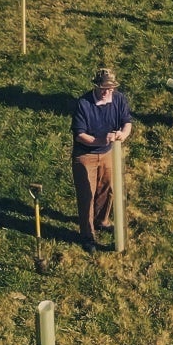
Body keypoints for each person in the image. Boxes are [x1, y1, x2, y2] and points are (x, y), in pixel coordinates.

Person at [71, 67, 133, 250]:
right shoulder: (83, 103)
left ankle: (101, 220)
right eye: (104, 88)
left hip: (108, 152)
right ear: (96, 86)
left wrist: (123, 134)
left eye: (111, 88)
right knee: (87, 194)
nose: (108, 92)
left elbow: (127, 122)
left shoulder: (119, 99)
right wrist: (100, 140)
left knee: (108, 188)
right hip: (86, 154)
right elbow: (79, 135)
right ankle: (88, 235)